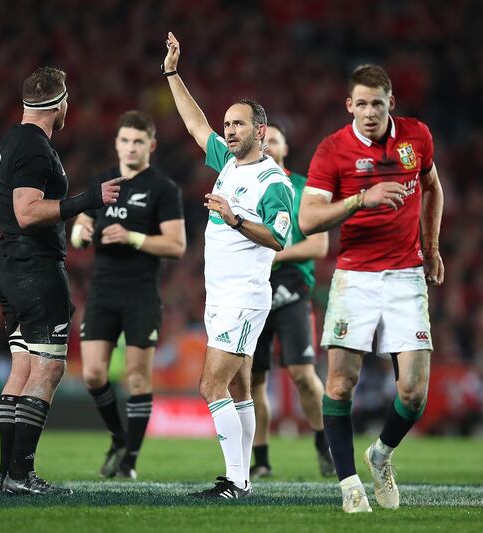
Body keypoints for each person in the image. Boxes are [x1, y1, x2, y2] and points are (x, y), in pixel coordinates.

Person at [299, 64, 444, 513]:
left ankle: (380, 455)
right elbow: (308, 220)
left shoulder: (417, 137)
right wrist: (363, 198)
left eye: (376, 104)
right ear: (349, 106)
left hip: (405, 275)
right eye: (360, 104)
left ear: (390, 104)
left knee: (414, 392)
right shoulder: (332, 150)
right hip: (355, 277)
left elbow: (433, 187)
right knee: (340, 384)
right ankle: (349, 486)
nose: (368, 112)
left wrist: (432, 245)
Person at [162, 32, 294, 499]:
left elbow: (278, 236)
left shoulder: (272, 181)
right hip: (220, 296)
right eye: (228, 125)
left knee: (210, 383)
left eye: (238, 124)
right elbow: (196, 126)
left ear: (260, 130)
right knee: (238, 387)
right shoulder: (228, 164)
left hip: (244, 296)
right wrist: (173, 74)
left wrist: (234, 216)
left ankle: (235, 481)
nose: (229, 130)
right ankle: (242, 480)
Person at [0, 67, 123, 495]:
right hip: (35, 271)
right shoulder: (34, 147)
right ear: (59, 103)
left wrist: (15, 228)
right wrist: (88, 199)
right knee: (48, 368)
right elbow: (26, 211)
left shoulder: (12, 141)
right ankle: (20, 474)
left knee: (23, 368)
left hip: (11, 265)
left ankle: (6, 476)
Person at [70, 111, 186, 480]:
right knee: (92, 375)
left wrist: (133, 237)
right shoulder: (101, 182)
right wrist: (81, 235)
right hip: (103, 290)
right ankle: (118, 436)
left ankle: (129, 461)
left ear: (150, 145)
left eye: (138, 141)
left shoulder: (163, 189)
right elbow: (79, 229)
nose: (131, 147)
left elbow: (177, 245)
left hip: (141, 293)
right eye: (125, 140)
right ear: (116, 144)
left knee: (137, 378)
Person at [249, 123, 334, 479]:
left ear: (285, 147)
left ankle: (325, 446)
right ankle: (262, 459)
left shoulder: (303, 189)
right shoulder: (247, 185)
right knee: (252, 381)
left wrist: (276, 255)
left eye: (274, 140)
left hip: (292, 286)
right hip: (253, 287)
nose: (267, 145)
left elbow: (319, 246)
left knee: (302, 374)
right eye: (263, 140)